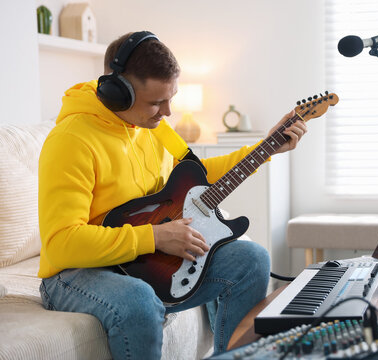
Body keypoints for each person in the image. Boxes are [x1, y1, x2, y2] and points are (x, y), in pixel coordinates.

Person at [37, 31, 307, 359]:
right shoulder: (71, 141)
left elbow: (198, 175)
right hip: (76, 272)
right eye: (155, 102)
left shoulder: (152, 126)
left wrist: (267, 148)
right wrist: (156, 237)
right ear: (116, 93)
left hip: (143, 261)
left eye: (170, 99)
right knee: (137, 299)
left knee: (252, 259)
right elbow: (61, 244)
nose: (166, 112)